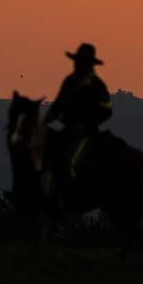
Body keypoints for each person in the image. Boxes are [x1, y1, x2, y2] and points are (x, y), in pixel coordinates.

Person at [45, 43, 112, 186]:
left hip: (87, 134)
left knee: (71, 160)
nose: (77, 65)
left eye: (81, 62)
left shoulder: (97, 85)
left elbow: (106, 111)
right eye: (77, 61)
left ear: (88, 65)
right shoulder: (69, 81)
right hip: (67, 129)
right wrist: (49, 116)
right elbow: (59, 103)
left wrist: (86, 123)